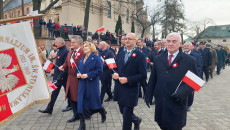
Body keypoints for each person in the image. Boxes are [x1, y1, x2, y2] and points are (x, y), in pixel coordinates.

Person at [146, 32, 198, 130]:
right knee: (162, 125)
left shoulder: (189, 60)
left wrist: (181, 93)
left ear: (180, 43)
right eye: (168, 41)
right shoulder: (158, 59)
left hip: (177, 103)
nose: (171, 44)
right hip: (161, 102)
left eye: (174, 41)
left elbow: (194, 82)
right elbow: (153, 79)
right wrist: (148, 95)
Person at [113, 33, 147, 130]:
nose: (127, 40)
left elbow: (143, 75)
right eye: (125, 39)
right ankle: (136, 120)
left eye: (130, 39)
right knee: (122, 111)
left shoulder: (140, 56)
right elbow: (116, 68)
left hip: (130, 90)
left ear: (135, 41)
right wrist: (114, 75)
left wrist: (128, 79)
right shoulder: (120, 54)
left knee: (126, 117)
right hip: (119, 89)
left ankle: (132, 123)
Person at [77, 41, 107, 130]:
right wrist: (77, 75)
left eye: (86, 46)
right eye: (83, 46)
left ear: (91, 48)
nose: (84, 48)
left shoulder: (96, 58)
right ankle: (82, 125)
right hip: (82, 83)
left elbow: (99, 70)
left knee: (93, 101)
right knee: (81, 103)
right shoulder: (82, 58)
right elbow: (77, 69)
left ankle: (101, 111)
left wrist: (88, 75)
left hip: (91, 83)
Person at [39, 37, 72, 114]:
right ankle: (49, 108)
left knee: (67, 91)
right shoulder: (59, 50)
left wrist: (61, 76)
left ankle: (70, 105)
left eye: (56, 42)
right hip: (57, 76)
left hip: (63, 76)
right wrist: (49, 65)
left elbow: (65, 65)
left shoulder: (66, 51)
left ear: (60, 43)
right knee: (54, 92)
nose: (55, 44)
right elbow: (58, 64)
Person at [58, 36, 85, 122]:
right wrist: (63, 66)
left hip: (78, 79)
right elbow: (67, 62)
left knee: (78, 97)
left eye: (73, 42)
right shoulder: (70, 52)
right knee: (70, 96)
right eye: (71, 42)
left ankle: (82, 114)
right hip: (70, 78)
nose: (71, 44)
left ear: (79, 43)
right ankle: (75, 114)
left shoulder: (83, 52)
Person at [183, 41, 203, 111]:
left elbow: (199, 67)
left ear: (191, 47)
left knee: (190, 92)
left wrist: (198, 78)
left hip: (192, 76)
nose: (186, 47)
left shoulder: (196, 55)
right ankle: (183, 104)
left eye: (187, 46)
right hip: (182, 76)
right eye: (184, 46)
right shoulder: (181, 55)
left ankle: (188, 105)